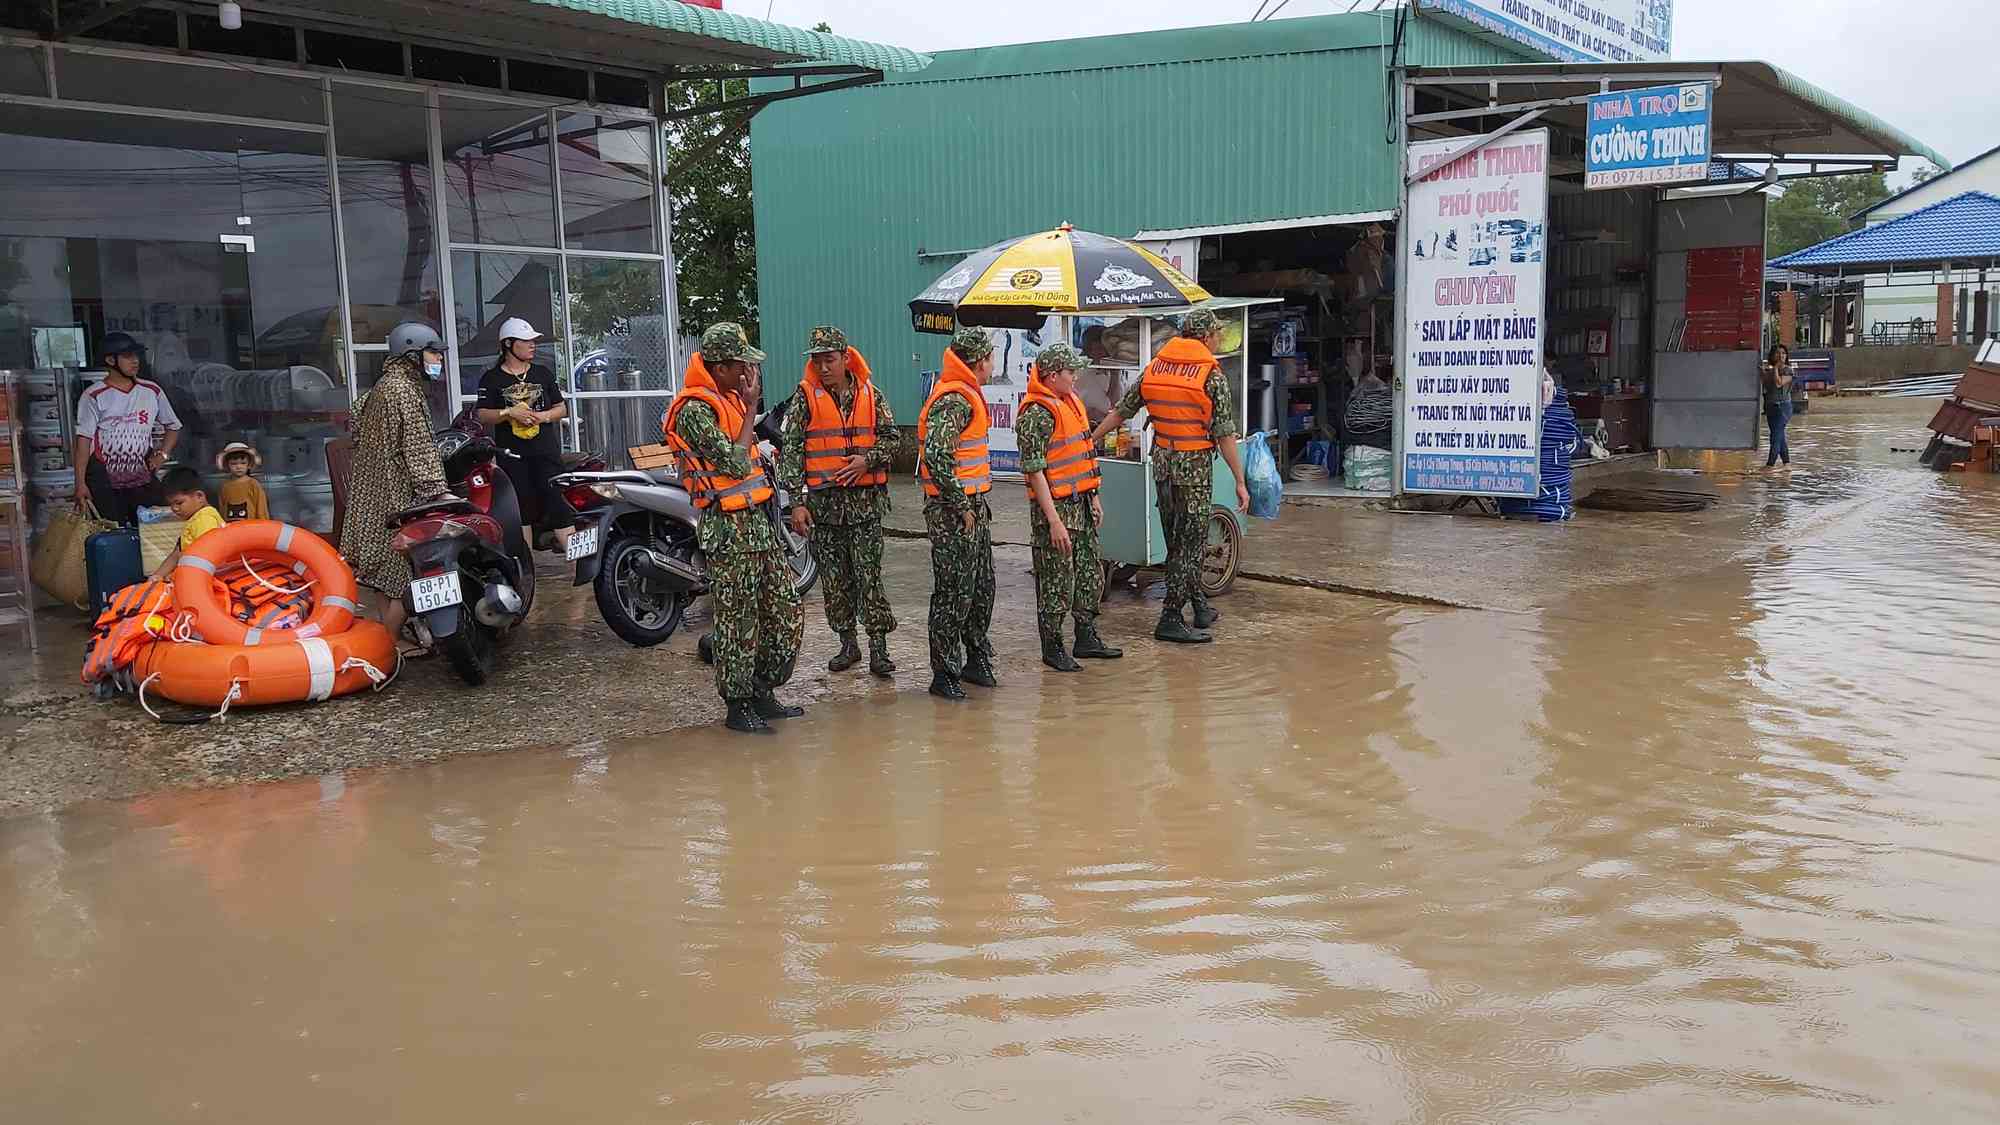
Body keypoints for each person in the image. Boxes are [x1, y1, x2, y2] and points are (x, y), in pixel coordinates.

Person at [663, 323, 803, 735]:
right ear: (720, 367)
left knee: (784, 613)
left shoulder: (727, 399)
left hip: (758, 524)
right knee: (738, 621)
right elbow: (734, 461)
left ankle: (762, 688)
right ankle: (738, 703)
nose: (748, 371)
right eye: (742, 364)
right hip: (728, 529)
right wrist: (750, 406)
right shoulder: (694, 410)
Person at [1089, 307, 1249, 645]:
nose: (1219, 337)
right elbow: (1224, 434)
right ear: (1206, 337)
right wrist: (1239, 480)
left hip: (1162, 464)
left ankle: (1200, 605)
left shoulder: (1156, 367)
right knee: (1189, 547)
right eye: (1217, 333)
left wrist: (1093, 440)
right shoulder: (1210, 375)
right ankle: (1171, 618)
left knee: (1177, 542)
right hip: (1193, 469)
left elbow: (1122, 411)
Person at [778, 325, 900, 679]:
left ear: (846, 358)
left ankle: (879, 649)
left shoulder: (872, 395)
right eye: (817, 361)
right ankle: (848, 644)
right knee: (834, 582)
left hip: (865, 508)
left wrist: (868, 460)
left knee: (869, 578)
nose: (823, 367)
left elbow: (893, 440)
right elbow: (792, 451)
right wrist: (797, 502)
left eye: (829, 359)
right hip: (824, 510)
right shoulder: (804, 399)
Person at [339, 323, 453, 654]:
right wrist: (437, 490)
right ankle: (389, 642)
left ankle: (390, 638)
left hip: (368, 495)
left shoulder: (381, 388)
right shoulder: (405, 391)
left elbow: (357, 424)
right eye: (432, 353)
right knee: (409, 573)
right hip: (395, 496)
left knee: (380, 571)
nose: (437, 360)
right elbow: (418, 447)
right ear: (411, 355)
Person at [1017, 342, 1122, 672]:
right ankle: (1052, 646)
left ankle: (1086, 636)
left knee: (1090, 574)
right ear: (1051, 376)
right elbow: (1034, 471)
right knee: (1055, 580)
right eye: (1069, 371)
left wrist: (1094, 496)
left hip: (1082, 505)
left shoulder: (1070, 403)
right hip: (1057, 510)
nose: (1075, 376)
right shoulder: (1036, 414)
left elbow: (1084, 456)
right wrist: (1054, 521)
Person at [917, 326, 1000, 701]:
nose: (992, 364)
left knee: (981, 586)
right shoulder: (953, 399)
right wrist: (961, 504)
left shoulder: (967, 393)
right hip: (953, 510)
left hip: (973, 506)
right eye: (991, 357)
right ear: (981, 361)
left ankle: (975, 657)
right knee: (953, 592)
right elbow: (936, 455)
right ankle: (944, 671)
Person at [475, 318, 576, 549]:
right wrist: (509, 412)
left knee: (557, 501)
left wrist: (542, 416)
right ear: (509, 344)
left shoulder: (542, 373)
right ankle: (526, 567)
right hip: (513, 455)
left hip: (546, 451)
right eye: (527, 341)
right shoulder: (492, 379)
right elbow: (482, 415)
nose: (533, 345)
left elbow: (561, 408)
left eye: (534, 341)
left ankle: (578, 563)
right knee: (521, 507)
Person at [74, 332, 181, 526]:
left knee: (151, 533)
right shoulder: (94, 394)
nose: (135, 361)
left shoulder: (152, 391)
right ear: (110, 360)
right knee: (112, 533)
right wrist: (80, 483)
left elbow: (173, 427)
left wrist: (162, 455)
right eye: (128, 356)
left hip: (143, 478)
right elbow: (84, 441)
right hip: (103, 480)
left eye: (136, 355)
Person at [149, 465, 225, 579]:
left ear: (199, 496)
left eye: (179, 503)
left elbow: (205, 557)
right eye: (171, 504)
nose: (174, 508)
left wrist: (175, 576)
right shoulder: (194, 519)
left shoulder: (204, 519)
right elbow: (176, 554)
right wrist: (157, 576)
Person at [214, 442, 269, 522]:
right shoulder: (224, 486)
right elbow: (222, 508)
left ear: (249, 464)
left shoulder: (253, 484)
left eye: (243, 463)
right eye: (233, 464)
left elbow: (261, 507)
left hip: (251, 528)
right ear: (227, 465)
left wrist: (263, 525)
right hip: (230, 528)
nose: (238, 467)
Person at [1761, 343, 1795, 469]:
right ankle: (1787, 464)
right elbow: (1766, 385)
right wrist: (1763, 373)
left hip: (1783, 407)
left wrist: (1775, 368)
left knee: (1775, 436)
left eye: (1783, 353)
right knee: (1779, 436)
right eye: (1778, 353)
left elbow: (1779, 383)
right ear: (1772, 356)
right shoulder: (1769, 370)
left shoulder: (1788, 370)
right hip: (1770, 407)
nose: (1781, 355)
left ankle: (1770, 466)